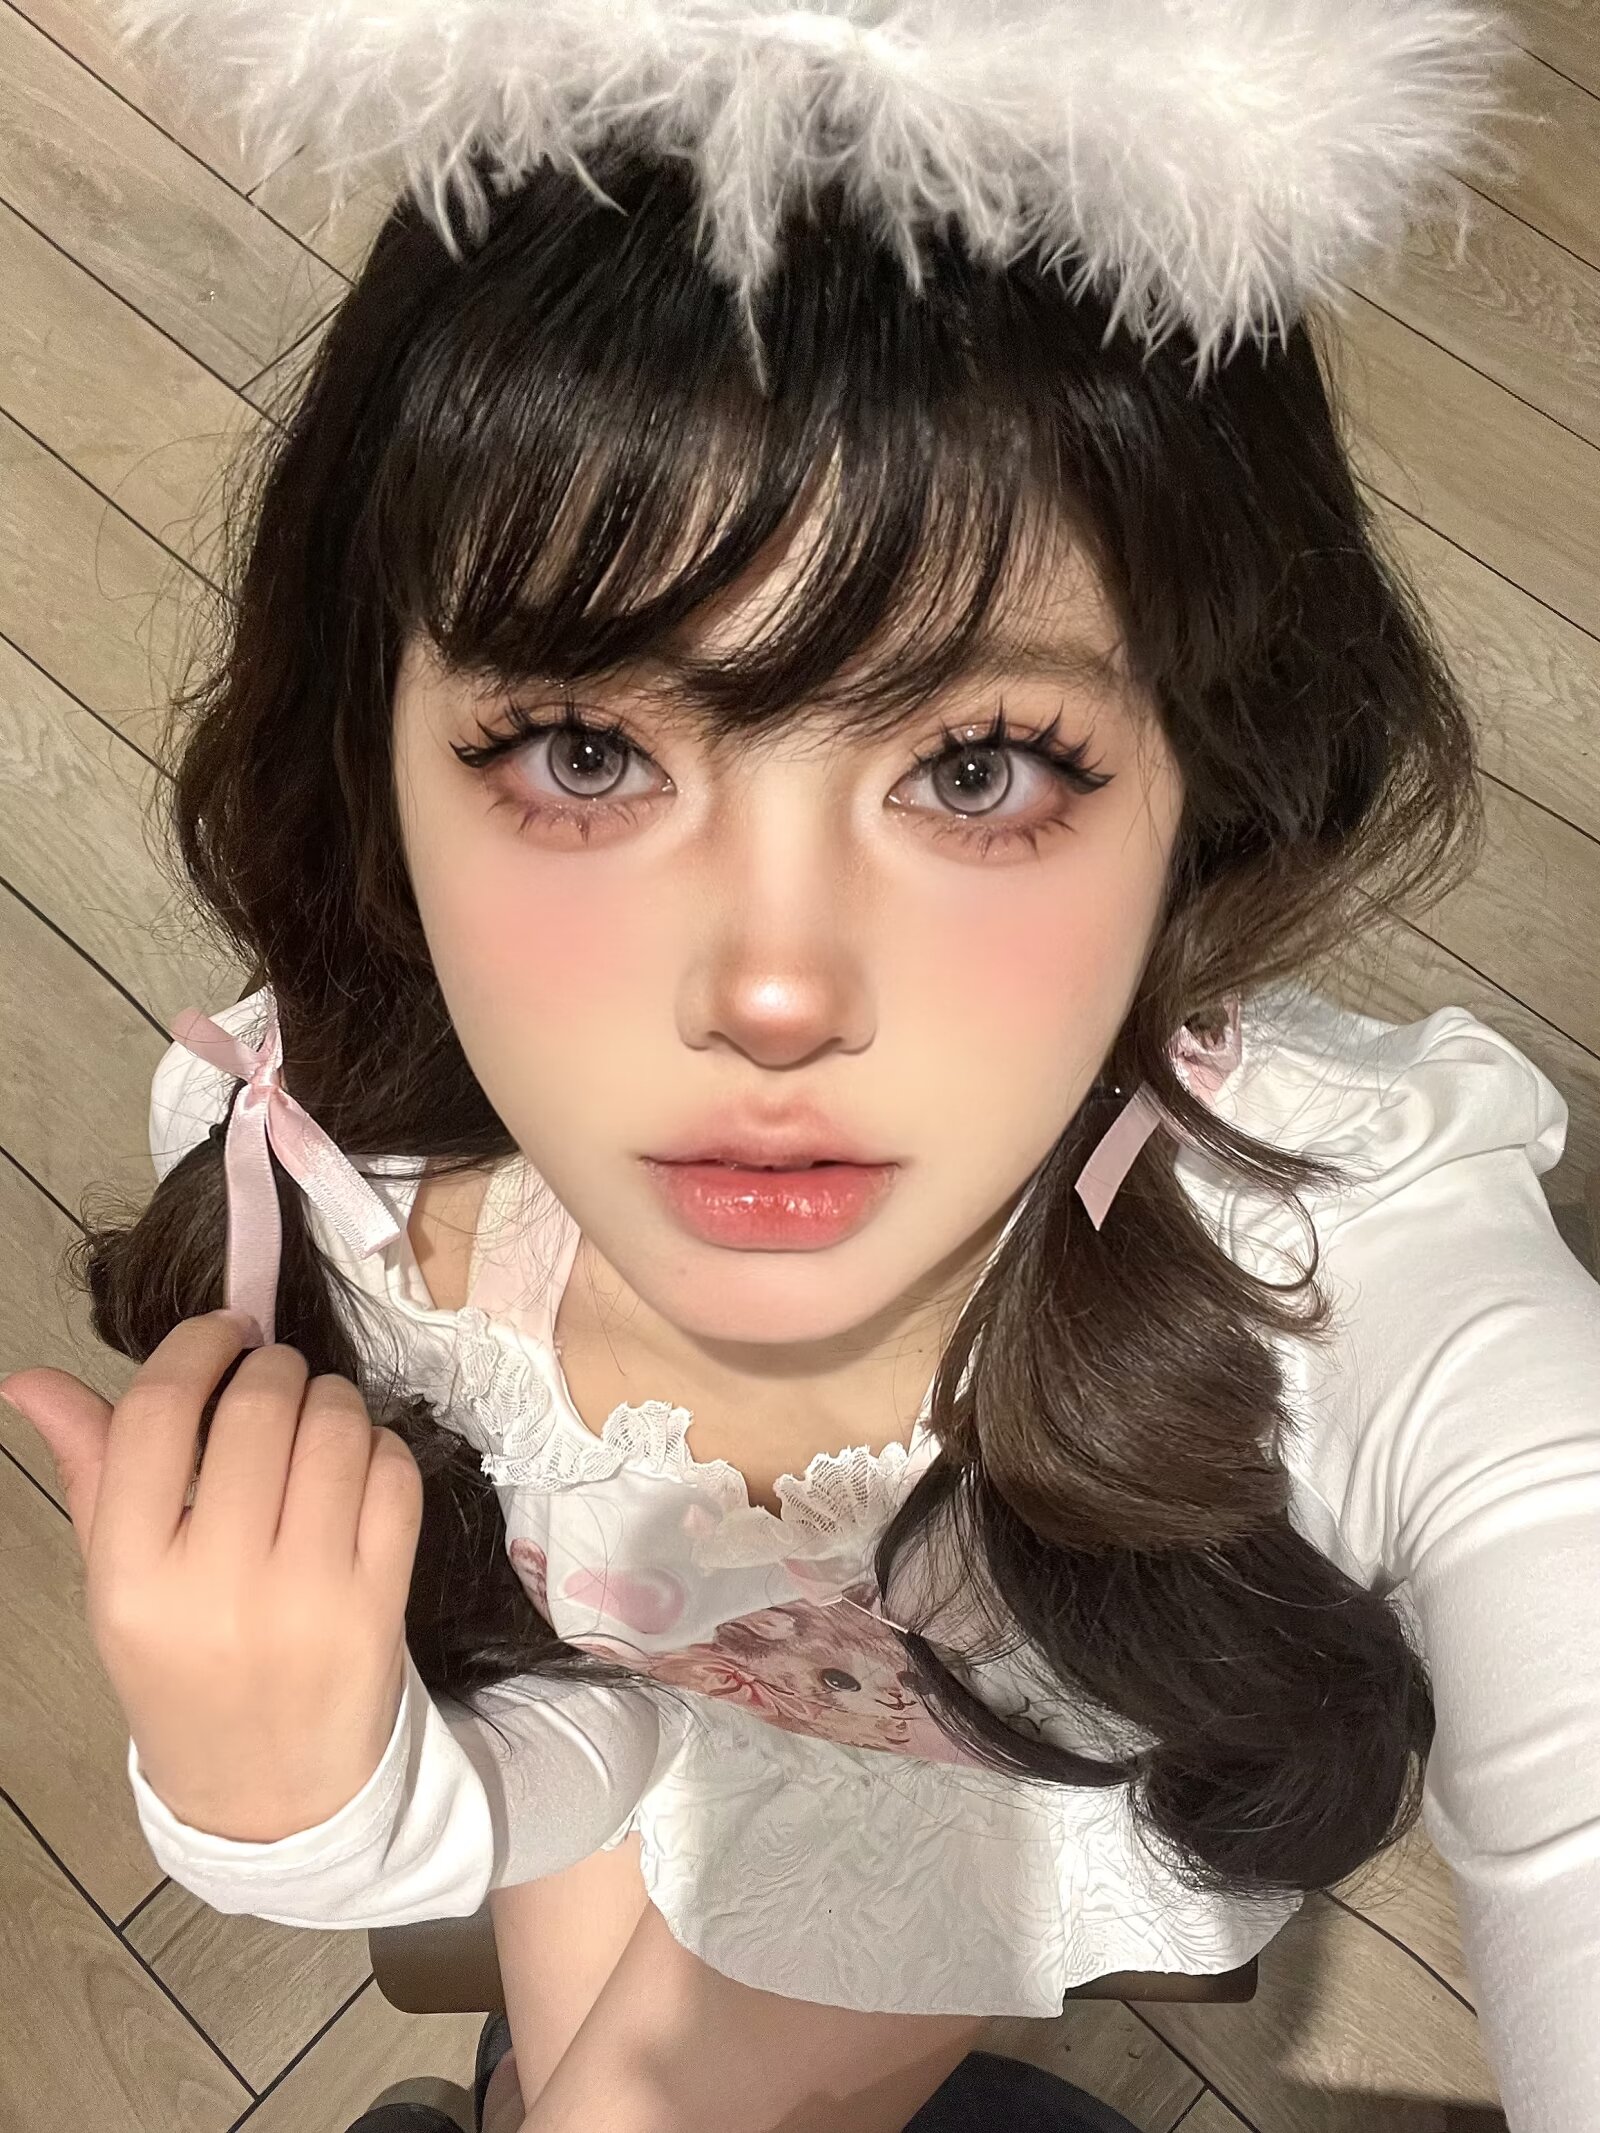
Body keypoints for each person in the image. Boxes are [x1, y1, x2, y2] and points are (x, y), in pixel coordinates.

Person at [4, 2, 1597, 2128]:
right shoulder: (340, 1173)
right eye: (587, 751)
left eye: (977, 764)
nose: (770, 988)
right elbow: (570, 1721)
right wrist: (297, 1800)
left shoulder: (1329, 1272)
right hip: (625, 1723)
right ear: (372, 754)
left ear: (1195, 785)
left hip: (969, 1813)